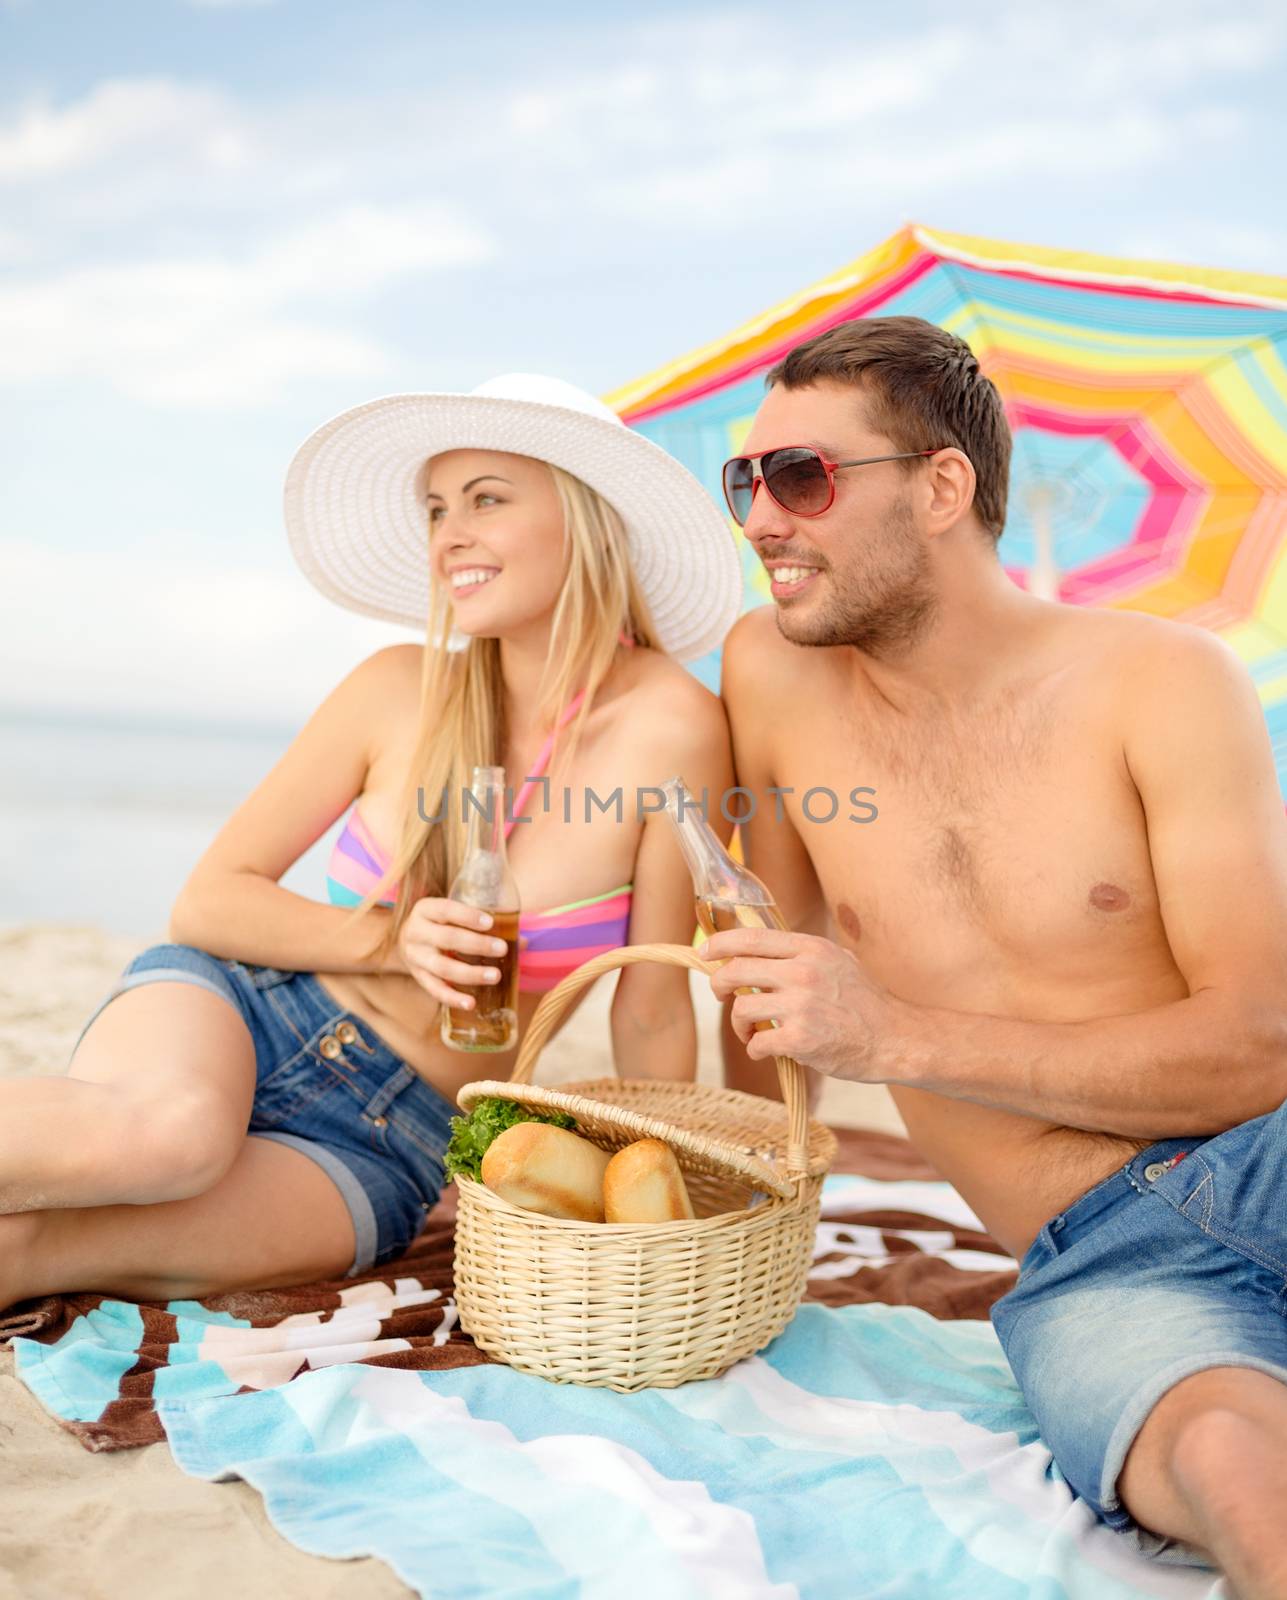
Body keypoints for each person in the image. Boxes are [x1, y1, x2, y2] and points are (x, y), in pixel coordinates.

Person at [701, 316, 1287, 1593]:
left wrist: (895, 1037)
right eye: (746, 481)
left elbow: (1258, 1047)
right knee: (1235, 1470)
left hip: (1272, 1155)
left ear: (944, 486)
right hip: (1098, 1257)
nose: (760, 520)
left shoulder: (1163, 682)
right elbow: (762, 973)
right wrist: (716, 1215)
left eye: (801, 477)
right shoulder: (769, 673)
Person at [0, 373, 738, 1311]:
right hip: (241, 1014)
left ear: (588, 518)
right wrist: (394, 939)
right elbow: (212, 898)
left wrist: (657, 1218)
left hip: (391, 1137)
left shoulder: (675, 725)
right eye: (436, 509)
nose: (448, 535)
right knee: (171, 1137)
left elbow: (653, 1010)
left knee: (29, 1248)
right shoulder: (394, 686)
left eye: (485, 500)